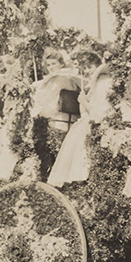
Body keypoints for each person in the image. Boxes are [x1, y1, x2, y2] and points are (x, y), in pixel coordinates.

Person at [47, 51, 112, 187]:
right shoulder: (96, 82)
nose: (87, 71)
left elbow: (98, 114)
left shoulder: (103, 82)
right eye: (84, 68)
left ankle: (85, 187)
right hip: (86, 123)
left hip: (93, 125)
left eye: (90, 67)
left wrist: (83, 101)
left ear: (98, 65)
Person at [31, 50, 82, 131]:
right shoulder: (55, 78)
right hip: (58, 118)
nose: (51, 67)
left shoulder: (64, 77)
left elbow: (48, 95)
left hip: (63, 120)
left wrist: (33, 111)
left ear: (61, 64)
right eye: (48, 65)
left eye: (54, 64)